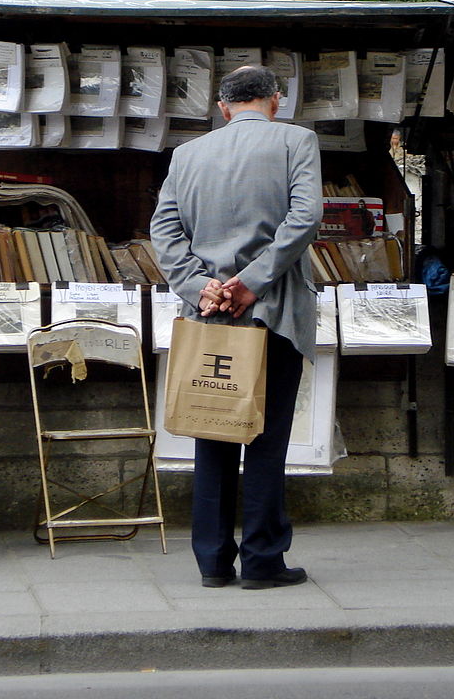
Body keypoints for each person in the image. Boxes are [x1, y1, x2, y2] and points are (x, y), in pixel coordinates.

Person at [150, 65, 322, 590]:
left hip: (208, 318)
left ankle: (212, 562)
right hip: (273, 313)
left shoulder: (188, 154)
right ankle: (263, 560)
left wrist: (200, 285)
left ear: (223, 108)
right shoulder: (298, 141)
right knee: (266, 443)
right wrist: (252, 282)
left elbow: (163, 228)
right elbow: (306, 216)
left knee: (213, 437)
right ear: (275, 100)